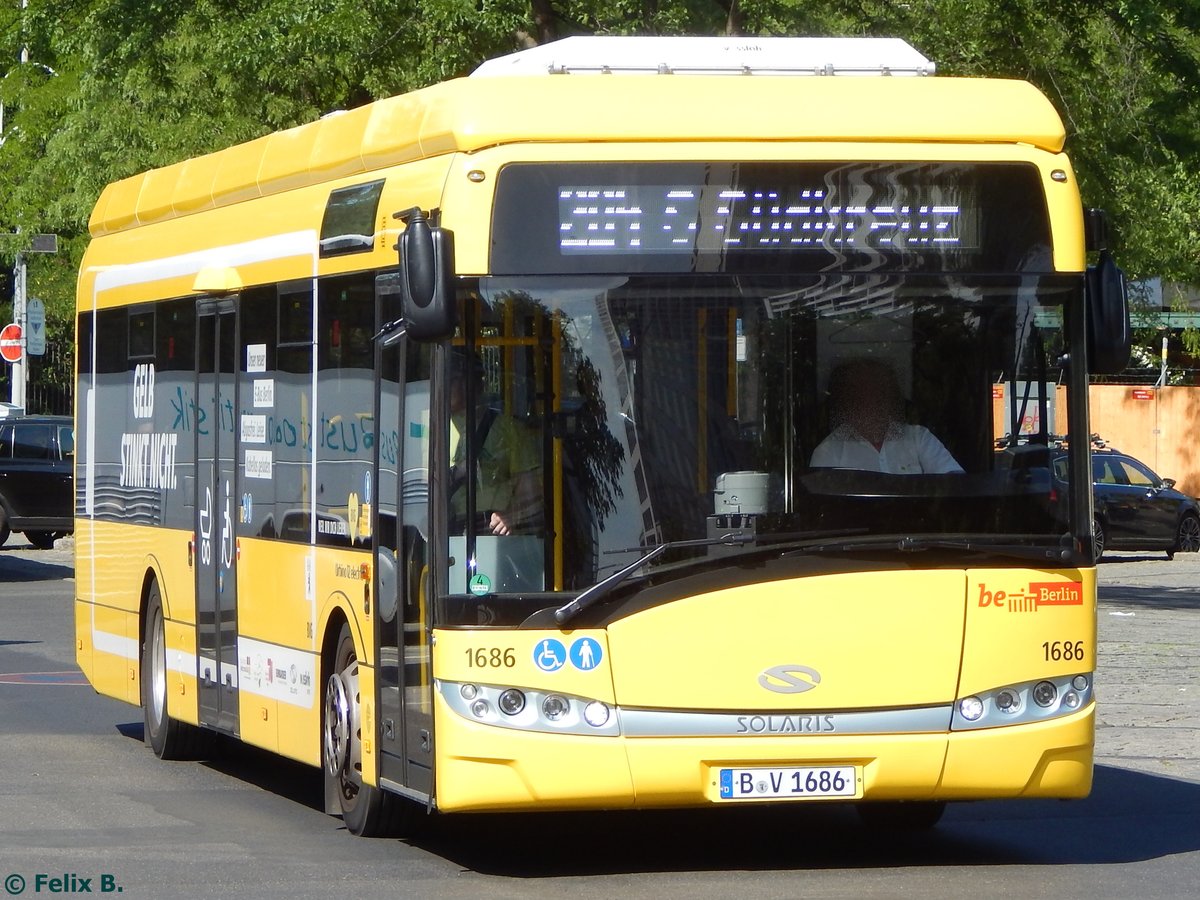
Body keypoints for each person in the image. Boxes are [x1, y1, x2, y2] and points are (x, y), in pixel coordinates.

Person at [810, 357, 963, 474]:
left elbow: (954, 485)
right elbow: (825, 508)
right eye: (863, 395)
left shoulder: (919, 438)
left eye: (880, 394)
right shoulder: (829, 451)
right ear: (848, 403)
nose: (872, 403)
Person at [448, 347, 542, 535]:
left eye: (452, 379)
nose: (445, 385)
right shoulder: (427, 425)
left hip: (492, 535)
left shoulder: (510, 430)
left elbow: (533, 493)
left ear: (474, 383)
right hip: (440, 534)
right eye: (442, 378)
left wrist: (512, 515)